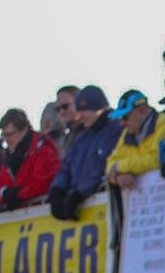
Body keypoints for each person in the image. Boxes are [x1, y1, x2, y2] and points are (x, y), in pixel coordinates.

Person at [49, 85, 123, 220]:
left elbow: (104, 165)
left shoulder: (115, 130)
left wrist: (79, 193)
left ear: (99, 109)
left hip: (107, 208)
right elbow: (66, 166)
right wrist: (57, 190)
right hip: (85, 211)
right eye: (79, 110)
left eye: (85, 110)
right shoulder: (83, 137)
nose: (81, 115)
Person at [0, 108, 61, 210]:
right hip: (22, 215)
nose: (6, 140)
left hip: (42, 212)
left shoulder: (42, 149)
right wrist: (5, 193)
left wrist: (17, 194)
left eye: (9, 134)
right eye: (3, 135)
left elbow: (43, 183)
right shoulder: (9, 156)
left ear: (24, 129)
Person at [106, 90, 165, 189]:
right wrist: (117, 177)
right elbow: (110, 163)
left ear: (142, 109)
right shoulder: (126, 134)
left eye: (125, 117)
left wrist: (120, 167)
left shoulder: (164, 123)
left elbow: (157, 159)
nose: (122, 123)